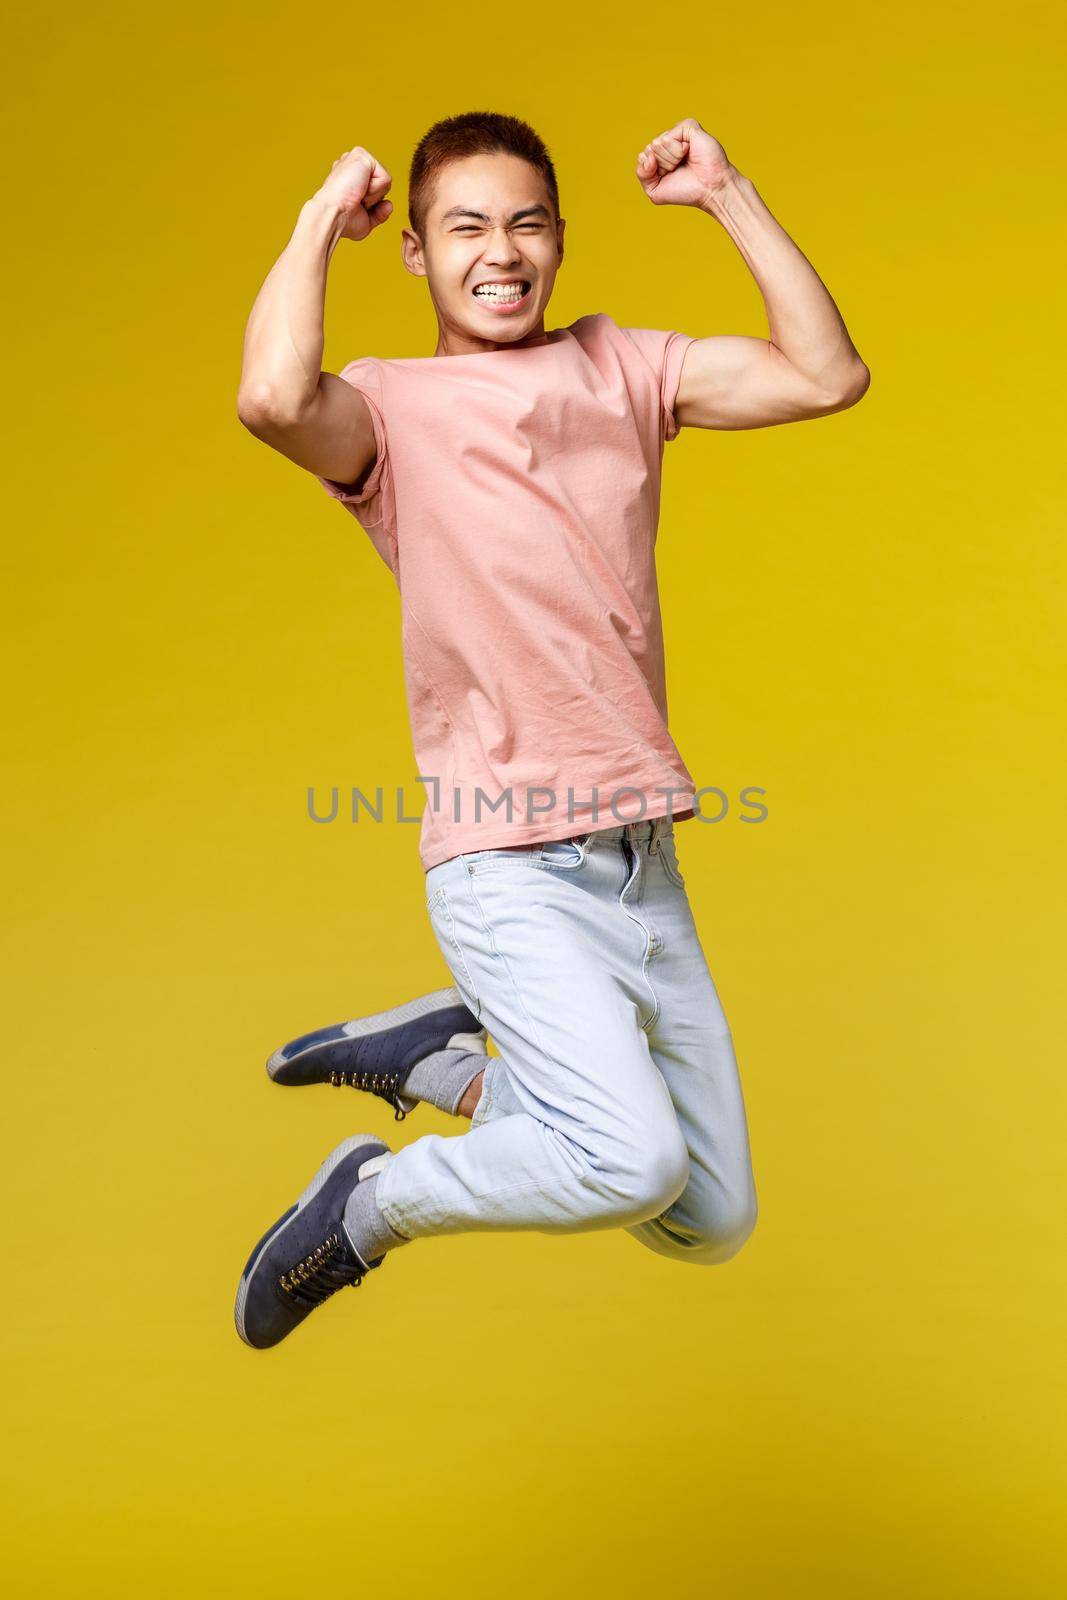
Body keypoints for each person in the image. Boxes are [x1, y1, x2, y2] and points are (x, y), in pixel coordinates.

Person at [234, 111, 870, 1349]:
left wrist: (727, 192)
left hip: (641, 865)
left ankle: (463, 1069)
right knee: (626, 1164)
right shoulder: (389, 410)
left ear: (559, 239)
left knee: (709, 1213)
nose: (501, 251)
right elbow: (269, 396)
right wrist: (322, 213)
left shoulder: (623, 367)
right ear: (416, 253)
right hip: (504, 864)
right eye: (464, 227)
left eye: (525, 222)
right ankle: (368, 1203)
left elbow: (825, 374)